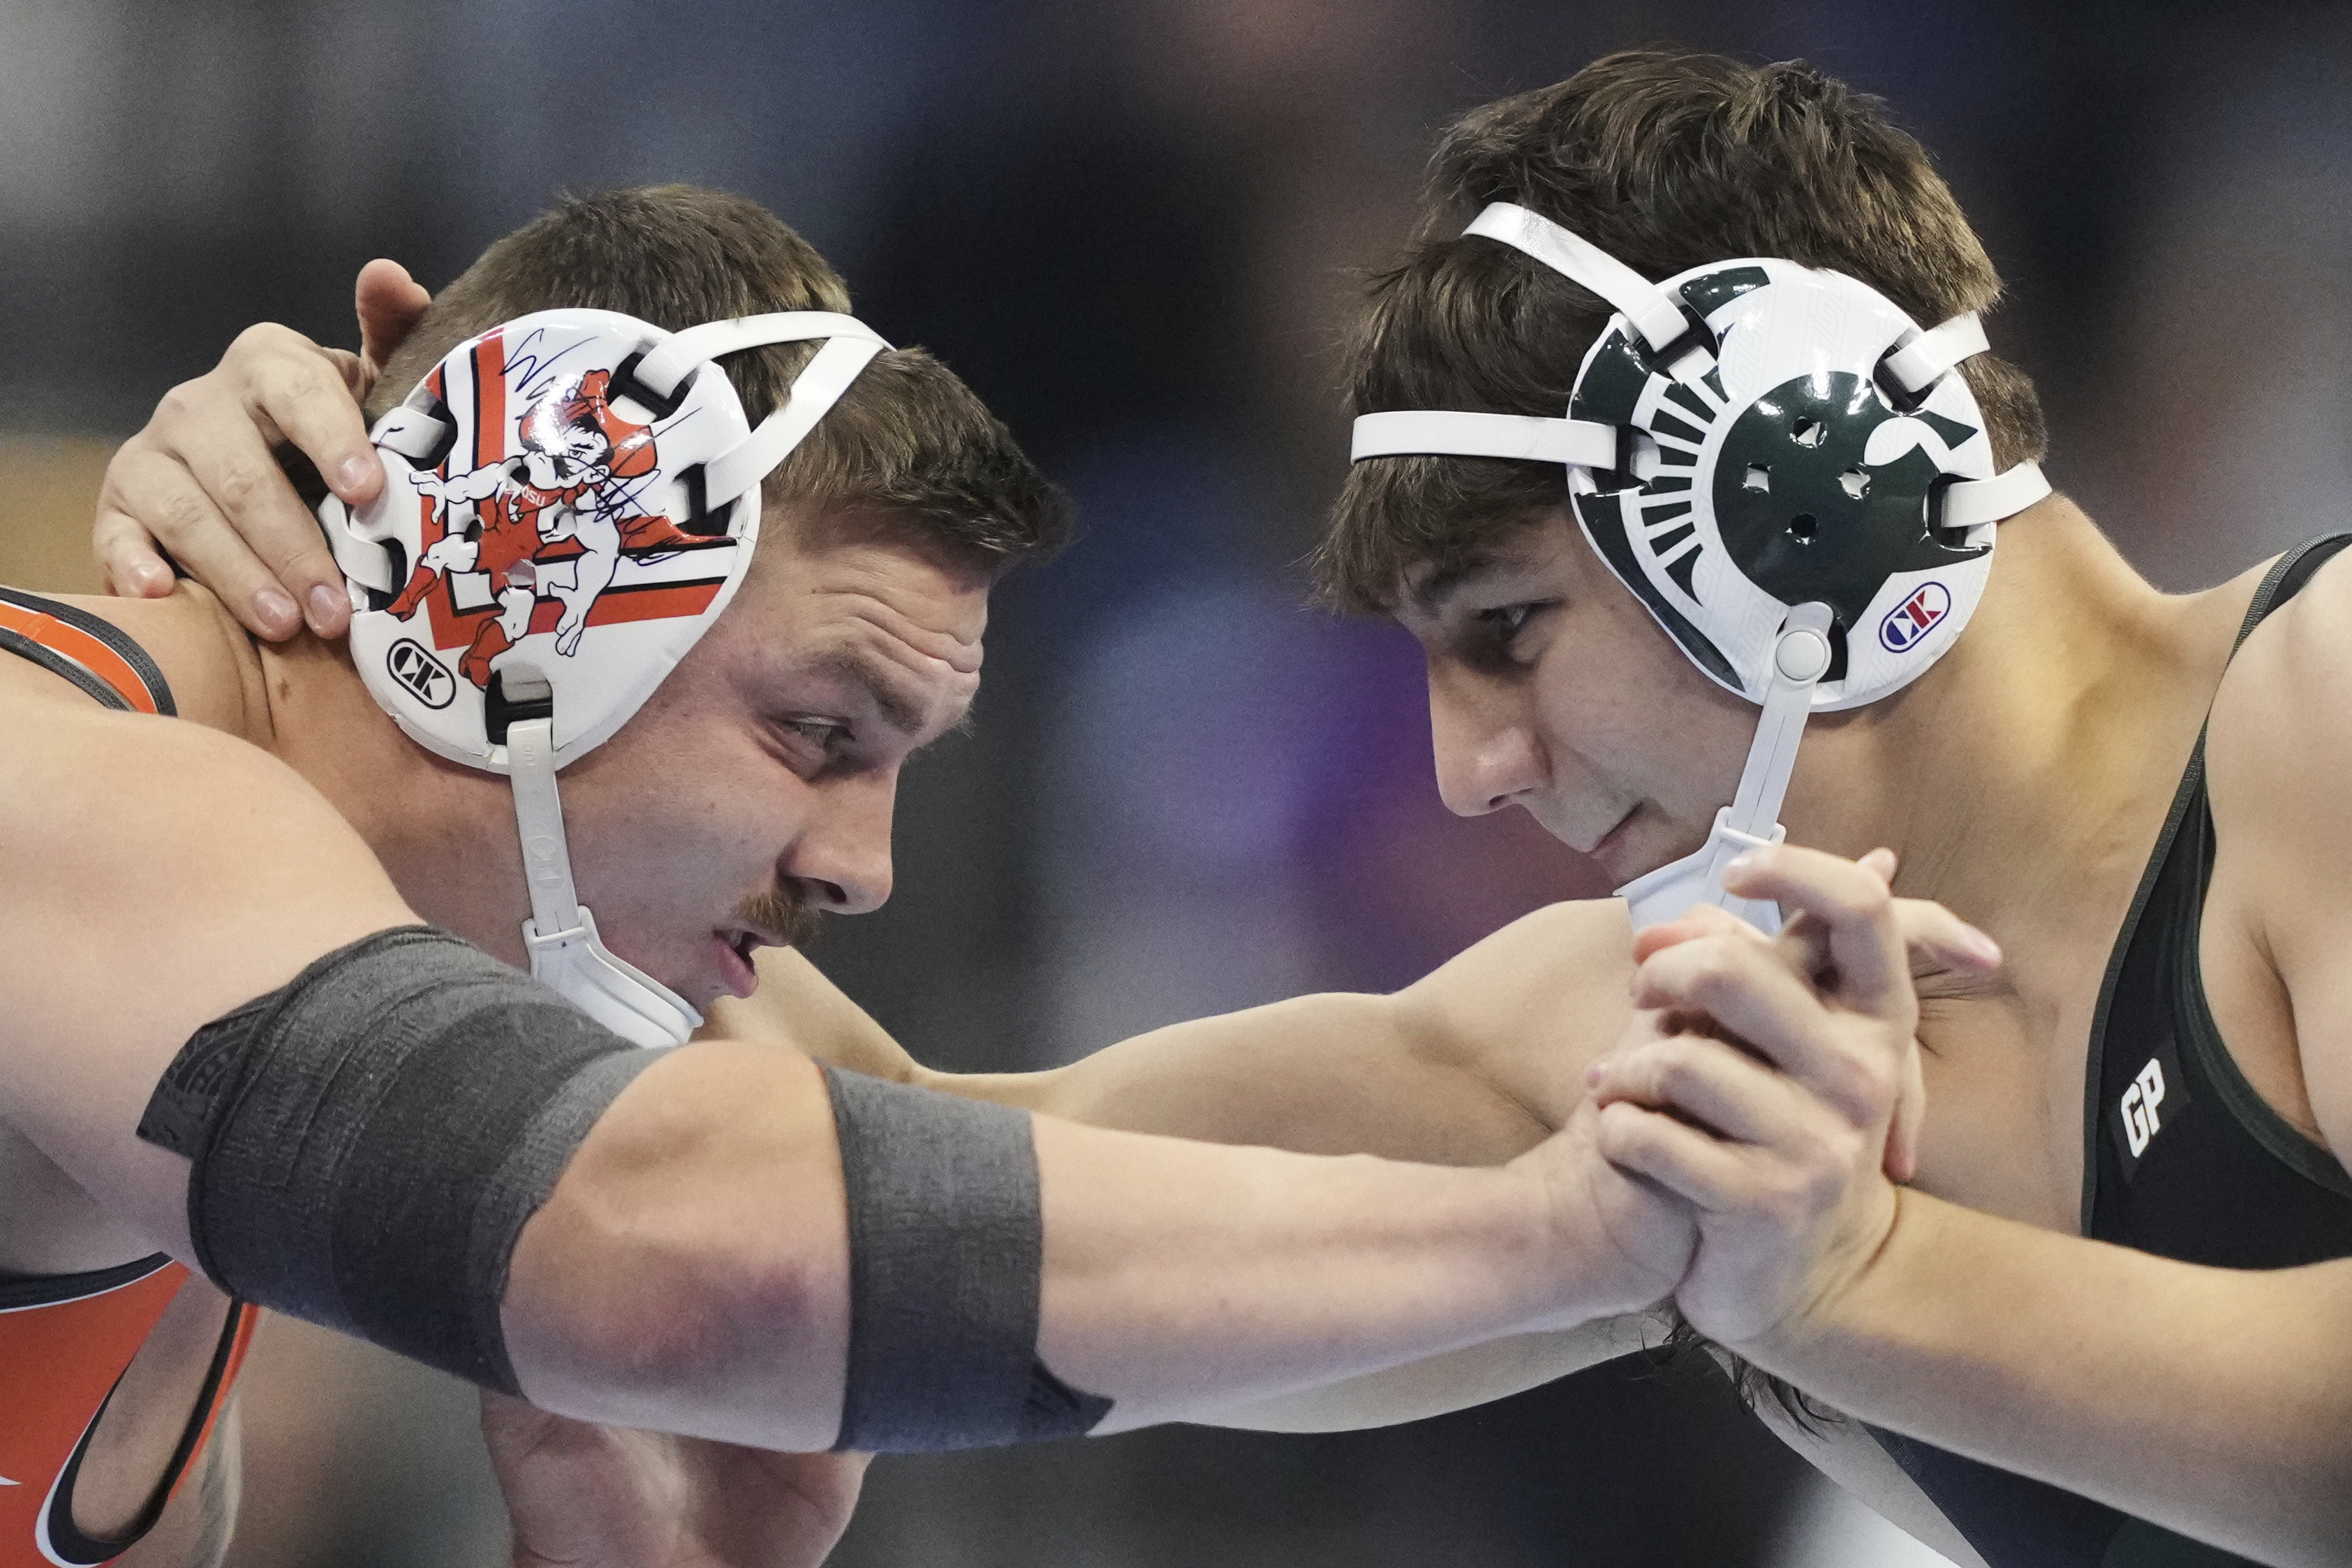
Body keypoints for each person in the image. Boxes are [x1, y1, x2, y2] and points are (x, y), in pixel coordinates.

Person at [114, 53, 2352, 1568]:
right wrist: (380, 600)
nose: (1481, 765)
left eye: (1499, 627)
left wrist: (1854, 1271)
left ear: (1793, 495)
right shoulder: (1696, 1037)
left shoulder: (2322, 709)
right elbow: (930, 1171)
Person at [1, 183, 1768, 1568]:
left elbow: (1014, 1160)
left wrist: (1758, 1037)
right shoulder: (69, 805)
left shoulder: (293, 954)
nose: (859, 872)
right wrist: (1559, 1236)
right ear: (503, 606)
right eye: (820, 734)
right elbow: (678, 1237)